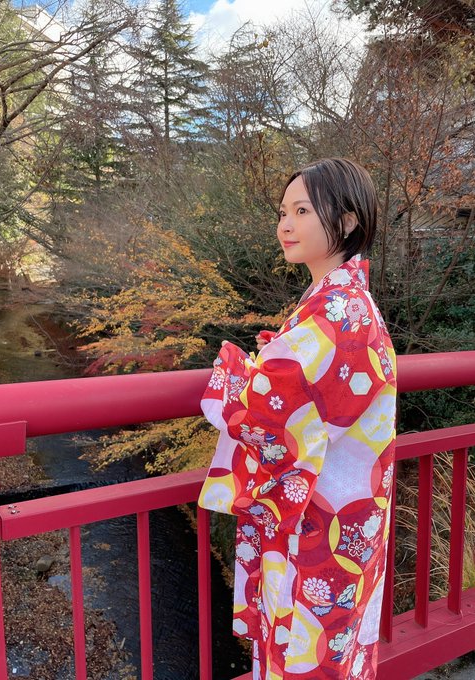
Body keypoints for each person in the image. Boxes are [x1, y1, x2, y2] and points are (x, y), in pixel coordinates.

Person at [198, 158, 397, 680]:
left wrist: (233, 370)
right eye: (283, 212)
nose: (285, 225)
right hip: (349, 516)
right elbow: (303, 384)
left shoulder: (336, 311)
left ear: (347, 222)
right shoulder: (346, 302)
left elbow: (263, 413)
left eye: (302, 211)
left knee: (305, 654)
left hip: (321, 523)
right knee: (334, 650)